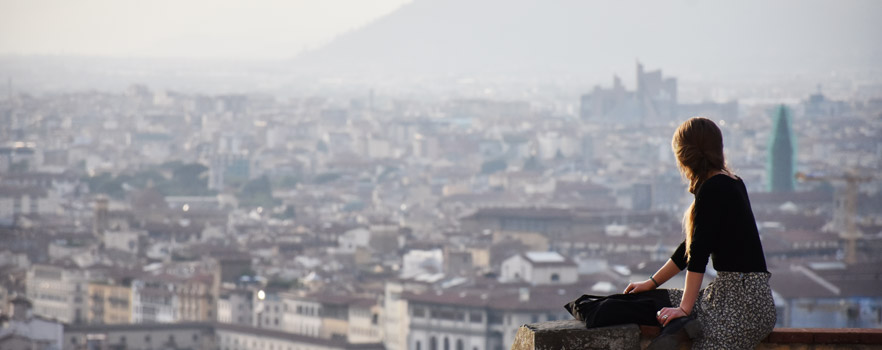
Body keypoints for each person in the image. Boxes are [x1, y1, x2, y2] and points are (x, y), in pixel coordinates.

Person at [623, 117, 776, 349]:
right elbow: (691, 247)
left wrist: (684, 308)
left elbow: (698, 256)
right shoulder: (731, 183)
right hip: (746, 297)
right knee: (655, 303)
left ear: (683, 156)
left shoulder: (713, 188)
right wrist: (652, 282)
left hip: (742, 302)